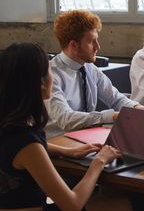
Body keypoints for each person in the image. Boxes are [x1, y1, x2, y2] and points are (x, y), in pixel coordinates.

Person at [0, 42, 121, 210]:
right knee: (120, 203)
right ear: (41, 83)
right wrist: (99, 162)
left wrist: (66, 151)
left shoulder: (12, 123)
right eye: (49, 71)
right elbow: (72, 204)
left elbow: (26, 152)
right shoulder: (26, 142)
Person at [46, 10, 144, 136]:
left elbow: (115, 98)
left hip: (86, 136)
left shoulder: (89, 68)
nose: (98, 47)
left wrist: (136, 108)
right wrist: (111, 116)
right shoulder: (51, 75)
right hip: (59, 142)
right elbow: (66, 119)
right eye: (92, 41)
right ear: (74, 45)